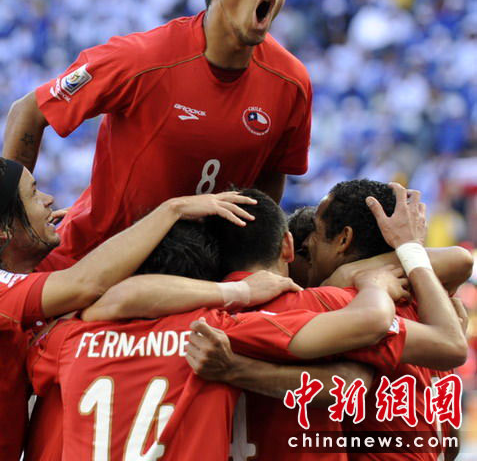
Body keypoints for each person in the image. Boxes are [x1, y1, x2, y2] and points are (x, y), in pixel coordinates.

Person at [3, 0, 312, 270]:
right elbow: (29, 111)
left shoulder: (292, 82)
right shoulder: (141, 58)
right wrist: (10, 224)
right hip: (90, 261)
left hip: (200, 276)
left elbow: (271, 179)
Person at [27, 220, 399, 461]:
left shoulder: (69, 336)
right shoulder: (213, 329)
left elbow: (113, 299)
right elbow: (358, 362)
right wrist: (371, 281)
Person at [0, 155, 294, 460]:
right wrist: (173, 208)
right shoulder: (217, 327)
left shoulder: (60, 331)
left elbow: (113, 290)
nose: (49, 199)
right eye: (33, 194)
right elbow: (89, 284)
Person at [187, 181, 471, 460]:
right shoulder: (426, 304)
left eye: (315, 237)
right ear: (286, 245)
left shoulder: (195, 316)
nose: (310, 246)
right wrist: (405, 252)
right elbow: (449, 445)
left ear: (343, 240)